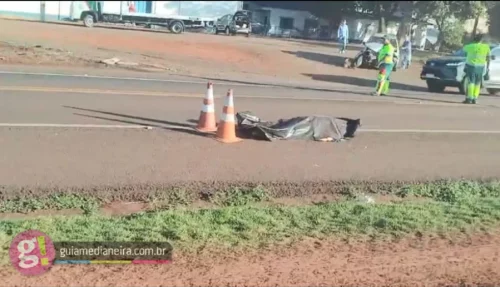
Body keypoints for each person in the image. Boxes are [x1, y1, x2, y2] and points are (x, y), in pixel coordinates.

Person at [462, 34, 491, 104]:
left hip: (471, 67)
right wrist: (487, 68)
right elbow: (489, 58)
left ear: (474, 39)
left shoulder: (470, 46)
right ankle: (475, 98)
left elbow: (464, 49)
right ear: (481, 40)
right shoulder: (486, 47)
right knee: (478, 83)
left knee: (471, 82)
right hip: (480, 67)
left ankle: (469, 98)